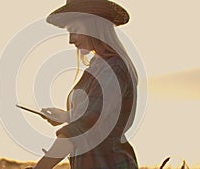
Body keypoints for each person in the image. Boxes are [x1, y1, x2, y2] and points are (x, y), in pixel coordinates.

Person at [26, 0, 139, 168]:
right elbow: (97, 117)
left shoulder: (113, 69)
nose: (71, 40)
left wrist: (40, 168)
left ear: (94, 27)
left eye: (75, 30)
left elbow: (85, 127)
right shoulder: (99, 66)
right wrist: (67, 116)